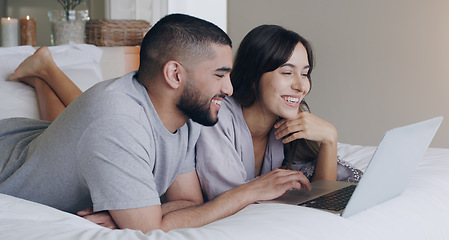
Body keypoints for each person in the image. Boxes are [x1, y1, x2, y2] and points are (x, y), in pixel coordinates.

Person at [0, 14, 311, 233]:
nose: (229, 89)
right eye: (219, 75)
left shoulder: (188, 116)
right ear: (175, 74)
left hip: (35, 140)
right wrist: (248, 191)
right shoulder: (119, 122)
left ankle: (41, 75)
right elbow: (150, 229)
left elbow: (189, 201)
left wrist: (137, 213)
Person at [196, 24, 362, 201]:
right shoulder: (216, 116)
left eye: (305, 74)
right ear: (252, 76)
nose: (301, 87)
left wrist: (330, 138)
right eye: (287, 72)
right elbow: (226, 201)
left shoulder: (289, 121)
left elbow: (321, 198)